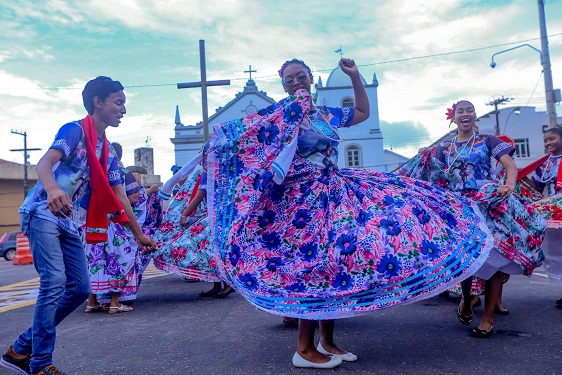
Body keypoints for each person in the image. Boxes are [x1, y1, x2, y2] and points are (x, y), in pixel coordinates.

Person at [200, 58, 494, 368]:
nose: (297, 82)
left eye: (302, 76)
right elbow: (244, 139)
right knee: (313, 264)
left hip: (334, 190)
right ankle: (303, 348)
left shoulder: (325, 113)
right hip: (304, 200)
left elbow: (363, 113)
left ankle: (326, 341)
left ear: (311, 78)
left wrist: (355, 77)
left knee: (336, 263)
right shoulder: (281, 115)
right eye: (290, 80)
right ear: (283, 85)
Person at [0, 76, 157, 375]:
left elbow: (119, 195)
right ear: (98, 103)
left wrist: (139, 236)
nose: (123, 109)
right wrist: (53, 189)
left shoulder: (107, 150)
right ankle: (40, 363)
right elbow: (44, 163)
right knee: (54, 283)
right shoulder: (74, 131)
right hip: (42, 211)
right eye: (118, 102)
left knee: (79, 288)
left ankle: (20, 349)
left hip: (69, 220)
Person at [400, 100, 545, 338]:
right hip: (460, 210)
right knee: (466, 261)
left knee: (497, 257)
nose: (465, 114)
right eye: (461, 111)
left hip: (490, 205)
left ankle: (488, 318)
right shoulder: (444, 148)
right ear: (453, 118)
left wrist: (508, 184)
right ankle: (467, 299)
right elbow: (433, 175)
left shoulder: (487, 141)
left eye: (469, 110)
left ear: (474, 116)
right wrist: (424, 157)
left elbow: (509, 165)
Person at [84, 142, 150, 313]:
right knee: (119, 259)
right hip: (116, 223)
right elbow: (134, 198)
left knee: (97, 261)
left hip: (93, 223)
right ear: (118, 157)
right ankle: (114, 302)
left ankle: (92, 302)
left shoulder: (92, 172)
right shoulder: (122, 173)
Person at [152, 170, 231, 297]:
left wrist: (185, 214)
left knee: (201, 248)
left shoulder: (209, 171)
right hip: (224, 216)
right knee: (212, 250)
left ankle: (226, 284)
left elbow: (199, 196)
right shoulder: (223, 168)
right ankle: (218, 284)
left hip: (212, 218)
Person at [518, 127, 562, 308]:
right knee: (556, 251)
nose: (548, 143)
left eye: (552, 139)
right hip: (555, 212)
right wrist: (519, 176)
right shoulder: (545, 164)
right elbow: (536, 187)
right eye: (546, 140)